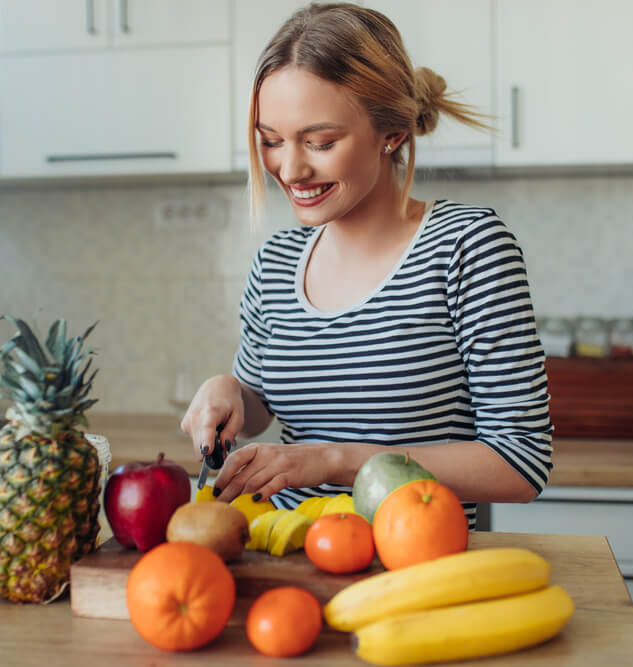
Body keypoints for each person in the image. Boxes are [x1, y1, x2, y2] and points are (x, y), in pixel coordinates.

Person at [180, 2, 552, 529]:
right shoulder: (276, 262)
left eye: (320, 142)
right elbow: (259, 411)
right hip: (286, 555)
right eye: (271, 141)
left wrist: (337, 460)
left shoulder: (466, 246)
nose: (290, 168)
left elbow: (521, 463)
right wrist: (226, 390)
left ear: (392, 132)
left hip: (415, 565)